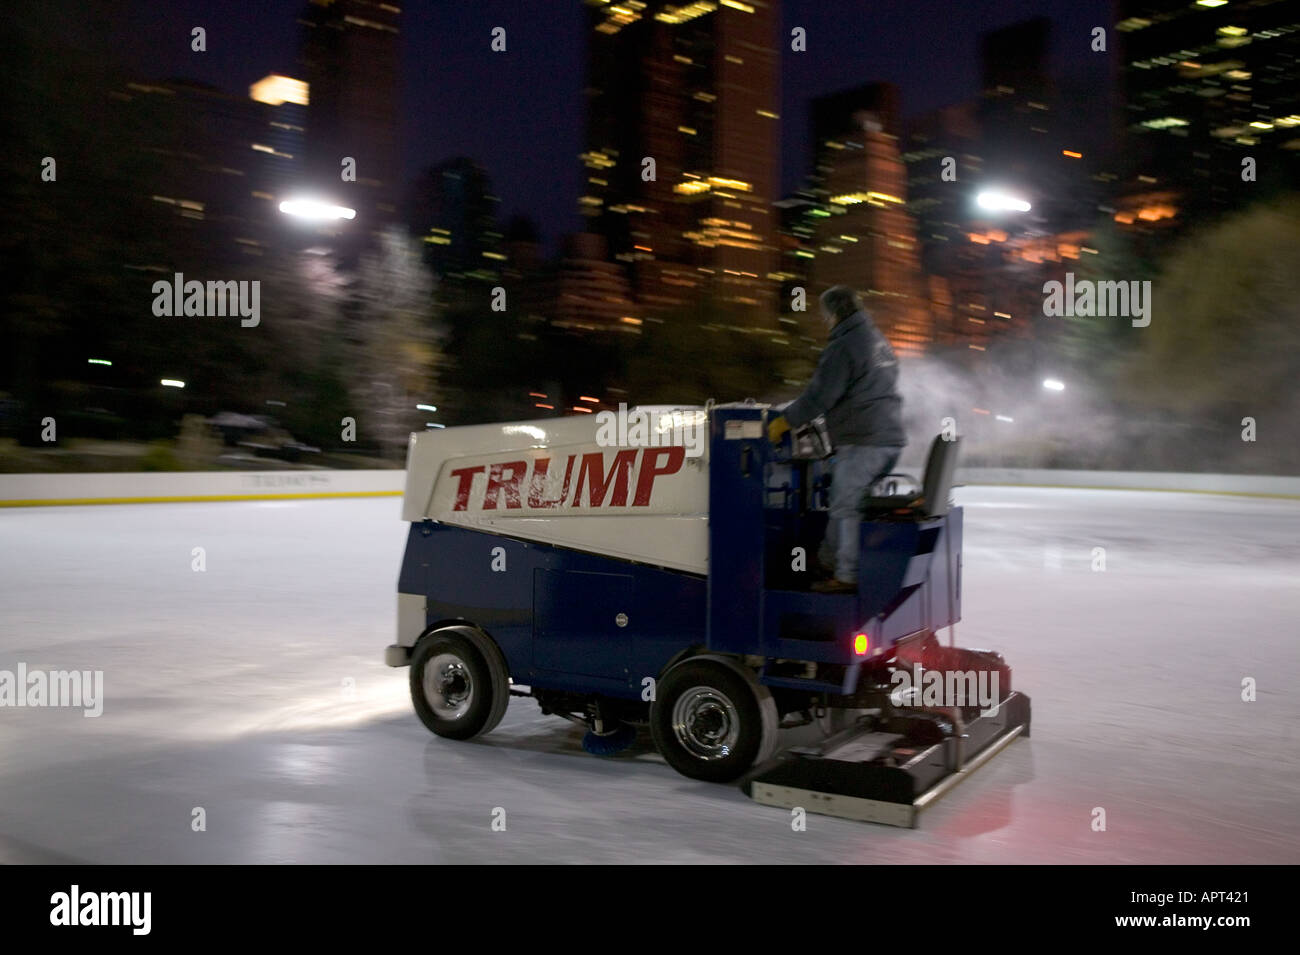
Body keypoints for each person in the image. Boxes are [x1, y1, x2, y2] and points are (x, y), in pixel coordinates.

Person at [768, 286, 905, 593]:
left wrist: (785, 421)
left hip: (864, 440)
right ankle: (827, 561)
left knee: (846, 507)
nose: (824, 320)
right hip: (889, 439)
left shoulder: (844, 345)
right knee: (844, 500)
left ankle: (846, 576)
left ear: (833, 313)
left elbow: (821, 395)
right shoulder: (876, 339)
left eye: (825, 314)